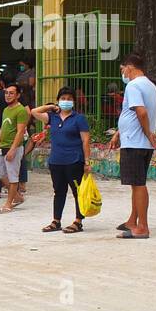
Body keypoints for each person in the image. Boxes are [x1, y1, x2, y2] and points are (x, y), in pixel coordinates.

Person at [109, 53, 156, 239]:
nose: (123, 74)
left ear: (129, 67)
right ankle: (133, 220)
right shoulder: (149, 85)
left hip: (136, 142)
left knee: (138, 184)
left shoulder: (133, 85)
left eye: (123, 70)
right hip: (138, 141)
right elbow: (131, 116)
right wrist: (118, 133)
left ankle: (142, 227)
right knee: (135, 183)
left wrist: (147, 134)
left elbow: (141, 112)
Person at [30, 88, 91, 234]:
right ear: (58, 100)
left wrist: (87, 161)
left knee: (78, 192)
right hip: (56, 161)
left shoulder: (79, 118)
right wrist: (51, 107)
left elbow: (86, 140)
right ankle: (56, 221)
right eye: (63, 98)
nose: (66, 101)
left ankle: (78, 221)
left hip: (74, 160)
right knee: (59, 191)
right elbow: (34, 112)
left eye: (69, 98)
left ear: (74, 101)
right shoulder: (53, 117)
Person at [0, 82, 29, 213]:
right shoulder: (6, 109)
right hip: (2, 147)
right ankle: (17, 196)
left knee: (13, 176)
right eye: (6, 93)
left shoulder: (20, 111)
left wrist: (13, 149)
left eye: (11, 93)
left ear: (18, 95)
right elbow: (3, 128)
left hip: (13, 147)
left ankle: (9, 203)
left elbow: (20, 131)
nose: (8, 95)